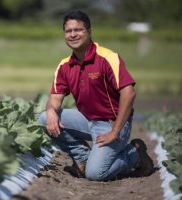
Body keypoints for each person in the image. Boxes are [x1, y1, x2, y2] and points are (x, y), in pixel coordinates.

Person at [39, 10, 154, 181]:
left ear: (89, 32)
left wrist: (115, 131)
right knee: (44, 118)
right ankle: (83, 158)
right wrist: (50, 111)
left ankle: (134, 154)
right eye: (68, 31)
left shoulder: (108, 58)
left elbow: (128, 93)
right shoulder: (64, 66)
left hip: (112, 124)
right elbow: (55, 98)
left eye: (78, 30)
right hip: (87, 120)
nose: (73, 35)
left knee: (96, 174)